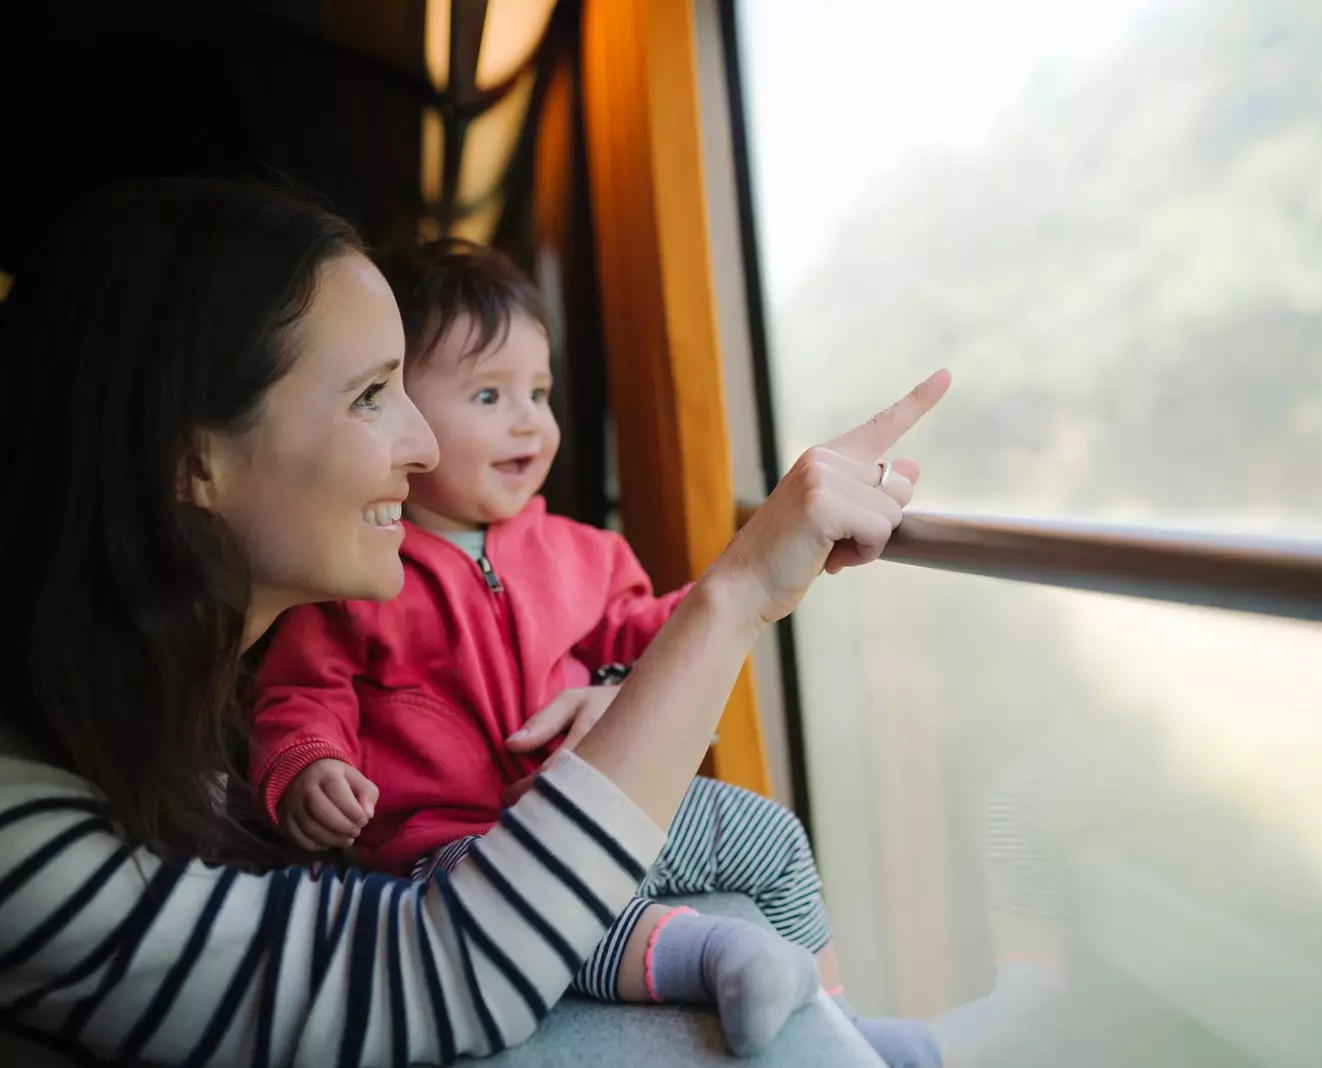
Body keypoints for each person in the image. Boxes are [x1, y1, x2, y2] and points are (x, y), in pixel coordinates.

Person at [0, 175, 951, 1066]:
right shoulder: (26, 848)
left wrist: (623, 694)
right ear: (194, 461)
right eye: (373, 396)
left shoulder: (193, 728)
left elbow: (619, 634)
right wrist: (738, 591)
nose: (419, 446)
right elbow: (437, 969)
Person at [247, 237, 937, 1062]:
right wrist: (308, 765)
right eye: (489, 394)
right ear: (402, 411)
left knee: (770, 835)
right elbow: (298, 698)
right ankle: (719, 956)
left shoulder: (588, 555)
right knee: (544, 912)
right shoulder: (353, 579)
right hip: (458, 847)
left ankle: (840, 1020)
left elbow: (655, 640)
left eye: (539, 393)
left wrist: (773, 564)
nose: (530, 421)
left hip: (604, 809)